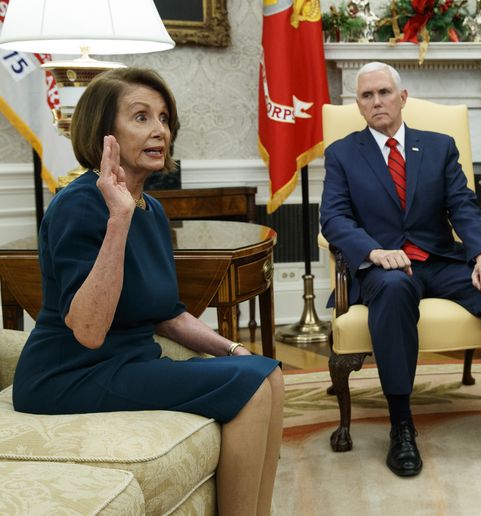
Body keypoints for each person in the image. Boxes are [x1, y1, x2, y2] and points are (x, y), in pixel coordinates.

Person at [12, 68, 283, 516]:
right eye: (141, 117)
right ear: (105, 135)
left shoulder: (151, 209)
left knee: (265, 371)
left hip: (129, 364)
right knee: (250, 386)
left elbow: (169, 315)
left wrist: (233, 348)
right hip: (67, 375)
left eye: (164, 118)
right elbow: (88, 331)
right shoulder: (78, 205)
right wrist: (117, 221)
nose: (160, 130)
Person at [320, 62, 481, 477]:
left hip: (440, 261)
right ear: (358, 105)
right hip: (384, 269)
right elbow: (334, 219)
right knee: (392, 290)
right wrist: (373, 252)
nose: (377, 102)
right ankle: (401, 425)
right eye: (367, 96)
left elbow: (463, 206)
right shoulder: (342, 154)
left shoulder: (439, 146)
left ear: (402, 97)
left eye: (384, 92)